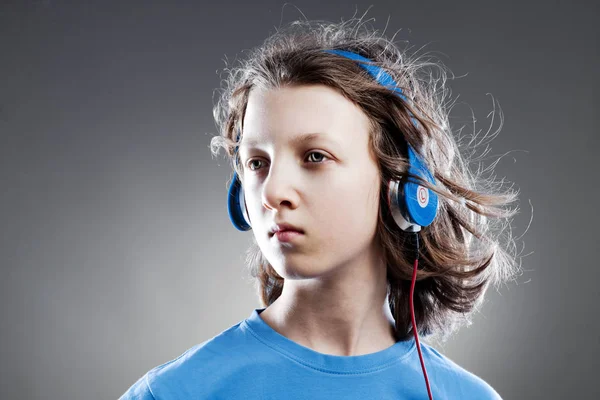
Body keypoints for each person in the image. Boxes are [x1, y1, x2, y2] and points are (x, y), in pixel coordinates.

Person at [119, 15, 521, 400]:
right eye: (257, 163)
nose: (272, 191)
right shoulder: (175, 393)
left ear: (403, 187)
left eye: (314, 156)